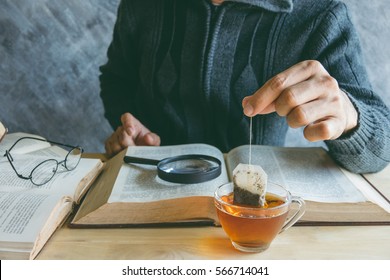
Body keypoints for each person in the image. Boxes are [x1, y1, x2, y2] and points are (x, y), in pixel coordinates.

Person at [100, 0, 390, 174]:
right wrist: (129, 129)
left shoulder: (322, 14)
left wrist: (351, 120)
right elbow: (116, 80)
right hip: (154, 184)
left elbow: (382, 148)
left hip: (257, 207)